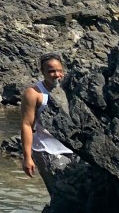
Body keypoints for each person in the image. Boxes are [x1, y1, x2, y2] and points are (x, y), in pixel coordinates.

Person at [20, 53, 77, 196]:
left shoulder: (70, 88)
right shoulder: (34, 93)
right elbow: (27, 125)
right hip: (48, 151)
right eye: (51, 71)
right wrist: (27, 157)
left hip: (74, 150)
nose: (56, 74)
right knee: (60, 195)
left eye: (59, 70)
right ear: (42, 72)